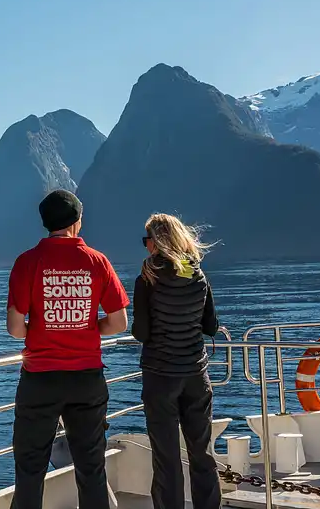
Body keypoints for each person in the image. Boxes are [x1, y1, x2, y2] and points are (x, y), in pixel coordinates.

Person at [6, 189, 129, 509]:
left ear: (46, 223)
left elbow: (15, 329)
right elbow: (119, 322)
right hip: (86, 378)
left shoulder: (27, 262)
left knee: (30, 469)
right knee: (91, 467)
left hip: (39, 379)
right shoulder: (97, 261)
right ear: (77, 222)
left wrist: (45, 330)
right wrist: (87, 328)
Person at [131, 213, 222, 509]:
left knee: (166, 458)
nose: (146, 248)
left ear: (156, 243)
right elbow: (210, 326)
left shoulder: (147, 278)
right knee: (203, 454)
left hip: (160, 376)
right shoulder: (198, 274)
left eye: (147, 241)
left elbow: (141, 332)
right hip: (196, 374)